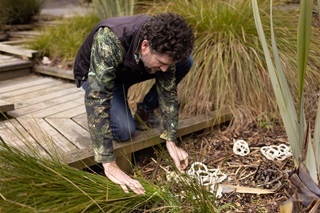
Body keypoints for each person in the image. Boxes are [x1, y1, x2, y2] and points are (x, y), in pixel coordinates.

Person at [73, 12, 195, 195]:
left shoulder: (162, 45)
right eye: (161, 62)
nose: (164, 69)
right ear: (145, 45)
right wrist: (109, 164)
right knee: (124, 131)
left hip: (131, 69)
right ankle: (119, 107)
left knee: (185, 63)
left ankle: (144, 111)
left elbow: (168, 92)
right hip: (97, 75)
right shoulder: (110, 39)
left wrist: (170, 138)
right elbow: (97, 97)